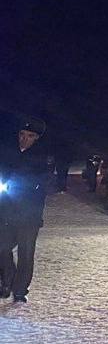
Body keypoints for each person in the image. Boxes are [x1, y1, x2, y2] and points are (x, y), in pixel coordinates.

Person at [0, 117, 55, 303]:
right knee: (3, 247)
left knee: (26, 252)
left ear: (37, 138)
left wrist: (29, 185)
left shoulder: (44, 157)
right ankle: (7, 281)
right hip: (7, 210)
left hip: (29, 214)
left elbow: (46, 181)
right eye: (22, 134)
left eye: (30, 136)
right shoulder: (9, 153)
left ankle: (20, 290)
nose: (24, 139)